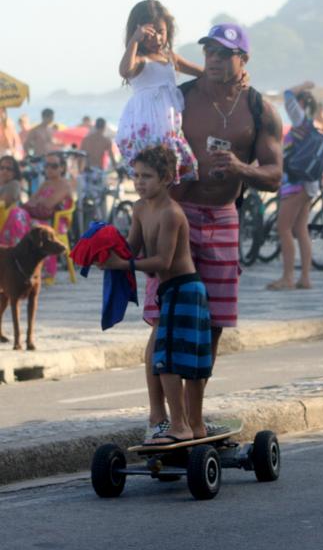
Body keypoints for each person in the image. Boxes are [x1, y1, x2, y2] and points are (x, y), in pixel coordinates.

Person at [142, 23, 283, 439]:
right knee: (163, 320)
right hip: (176, 213)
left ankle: (194, 420)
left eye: (225, 53)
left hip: (223, 216)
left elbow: (275, 175)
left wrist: (241, 168)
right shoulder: (179, 97)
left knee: (212, 323)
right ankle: (159, 419)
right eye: (210, 52)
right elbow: (144, 113)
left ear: (244, 60)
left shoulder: (259, 108)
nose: (216, 60)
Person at [101, 145, 212, 444]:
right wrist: (101, 249)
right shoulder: (139, 208)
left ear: (166, 178)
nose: (139, 182)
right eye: (135, 176)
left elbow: (162, 260)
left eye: (147, 176)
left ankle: (181, 425)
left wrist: (122, 263)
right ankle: (193, 426)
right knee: (168, 357)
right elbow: (132, 249)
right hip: (168, 291)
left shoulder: (171, 213)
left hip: (185, 289)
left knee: (172, 361)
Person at [115, 0, 203, 185]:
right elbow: (124, 70)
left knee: (173, 177)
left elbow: (202, 73)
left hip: (170, 127)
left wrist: (237, 76)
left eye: (161, 32)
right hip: (147, 131)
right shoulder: (139, 60)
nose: (156, 39)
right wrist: (134, 41)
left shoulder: (170, 58)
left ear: (168, 30)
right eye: (149, 34)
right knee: (152, 176)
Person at [267, 81, 322, 291]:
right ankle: (305, 278)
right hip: (309, 184)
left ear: (301, 104)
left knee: (284, 228)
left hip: (296, 184)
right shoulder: (311, 125)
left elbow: (287, 94)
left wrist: (304, 85)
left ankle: (288, 277)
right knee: (300, 229)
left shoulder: (300, 121)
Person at [23, 153, 73, 282]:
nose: (49, 169)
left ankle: (46, 271)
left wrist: (39, 200)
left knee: (27, 224)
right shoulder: (46, 183)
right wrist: (40, 201)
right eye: (46, 166)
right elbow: (31, 202)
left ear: (62, 167)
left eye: (54, 166)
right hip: (41, 217)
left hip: (57, 222)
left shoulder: (65, 185)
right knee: (19, 222)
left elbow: (49, 203)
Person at [0, 156, 30, 246]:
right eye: (2, 168)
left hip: (4, 221)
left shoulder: (14, 184)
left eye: (9, 169)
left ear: (14, 172)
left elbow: (3, 203)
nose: (4, 171)